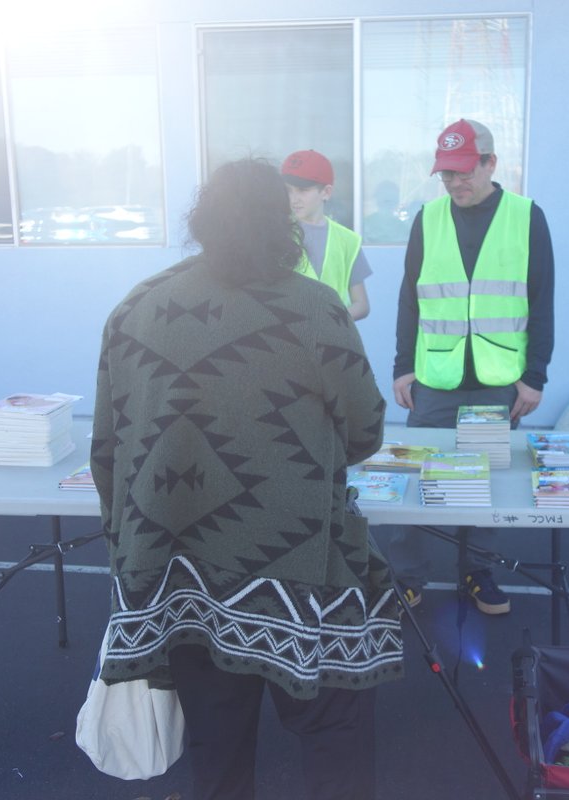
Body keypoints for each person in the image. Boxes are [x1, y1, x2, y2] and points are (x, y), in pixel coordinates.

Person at [90, 157, 403, 800]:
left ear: (201, 221)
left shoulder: (136, 309)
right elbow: (365, 430)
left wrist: (132, 550)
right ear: (282, 223)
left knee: (217, 750)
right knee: (333, 737)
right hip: (301, 566)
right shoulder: (314, 308)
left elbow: (108, 451)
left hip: (182, 574)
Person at [385, 118, 555, 616]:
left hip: (499, 380)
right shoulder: (428, 218)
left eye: (464, 172)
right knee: (414, 479)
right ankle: (407, 577)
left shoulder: (527, 217)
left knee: (483, 483)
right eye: (446, 175)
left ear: (490, 163)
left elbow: (541, 301)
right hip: (434, 378)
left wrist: (535, 375)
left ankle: (476, 573)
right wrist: (402, 366)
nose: (456, 184)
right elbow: (409, 301)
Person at [281, 149, 373, 320]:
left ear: (326, 192)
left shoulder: (348, 240)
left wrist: (330, 322)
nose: (294, 199)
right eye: (288, 190)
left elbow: (361, 304)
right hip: (288, 339)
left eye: (302, 190)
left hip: (334, 342)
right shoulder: (276, 235)